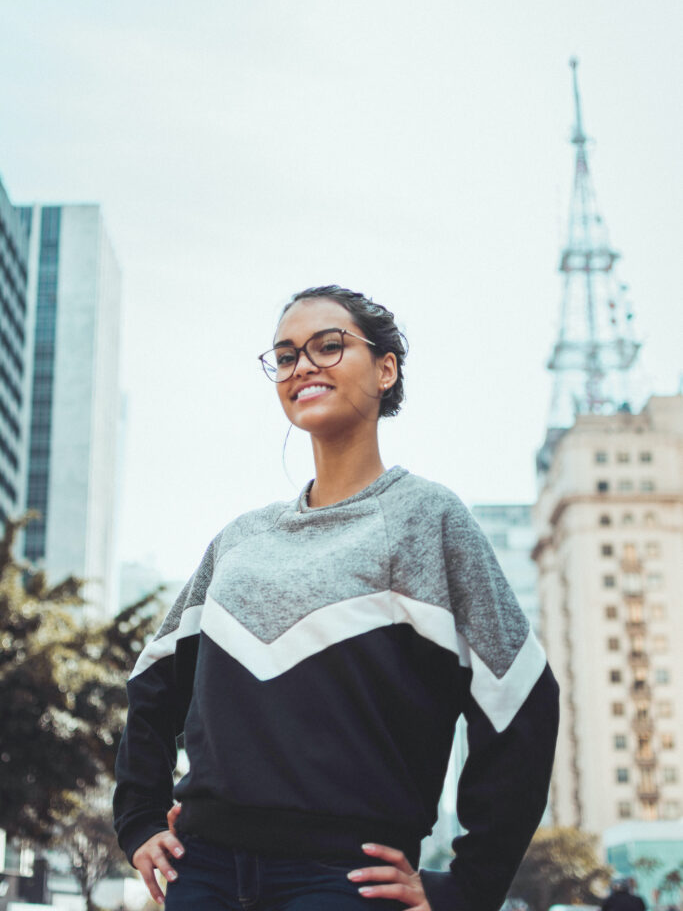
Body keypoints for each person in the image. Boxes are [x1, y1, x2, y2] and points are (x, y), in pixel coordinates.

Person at [113, 285, 560, 911]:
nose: (303, 367)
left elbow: (522, 695)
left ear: (386, 368)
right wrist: (138, 817)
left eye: (328, 347)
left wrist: (468, 885)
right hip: (205, 872)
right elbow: (154, 683)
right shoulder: (240, 539)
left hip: (346, 881)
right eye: (287, 355)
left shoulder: (428, 519)